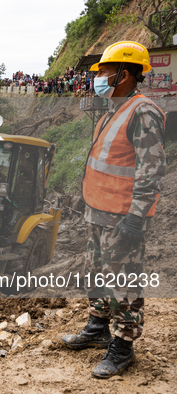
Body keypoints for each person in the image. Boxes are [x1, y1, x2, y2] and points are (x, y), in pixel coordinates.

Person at [61, 41, 166, 379]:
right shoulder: (114, 109)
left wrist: (136, 217)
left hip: (123, 216)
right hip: (98, 211)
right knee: (96, 272)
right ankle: (97, 327)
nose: (99, 77)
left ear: (124, 74)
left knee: (123, 281)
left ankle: (123, 347)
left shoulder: (142, 111)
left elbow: (152, 169)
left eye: (104, 71)